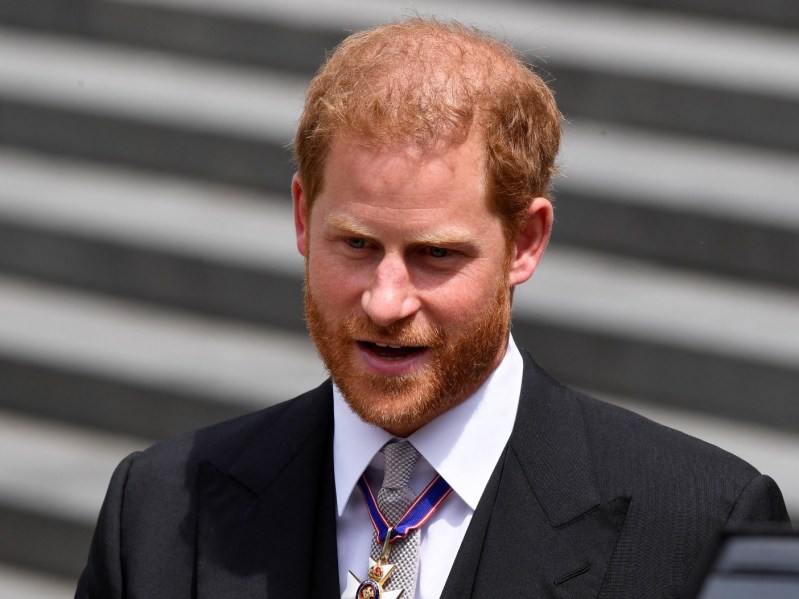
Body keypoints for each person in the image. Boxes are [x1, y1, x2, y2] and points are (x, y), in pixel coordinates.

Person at [75, 17, 789, 599]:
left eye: (436, 254)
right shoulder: (158, 509)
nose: (386, 301)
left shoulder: (706, 526)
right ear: (301, 217)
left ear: (525, 241)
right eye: (356, 244)